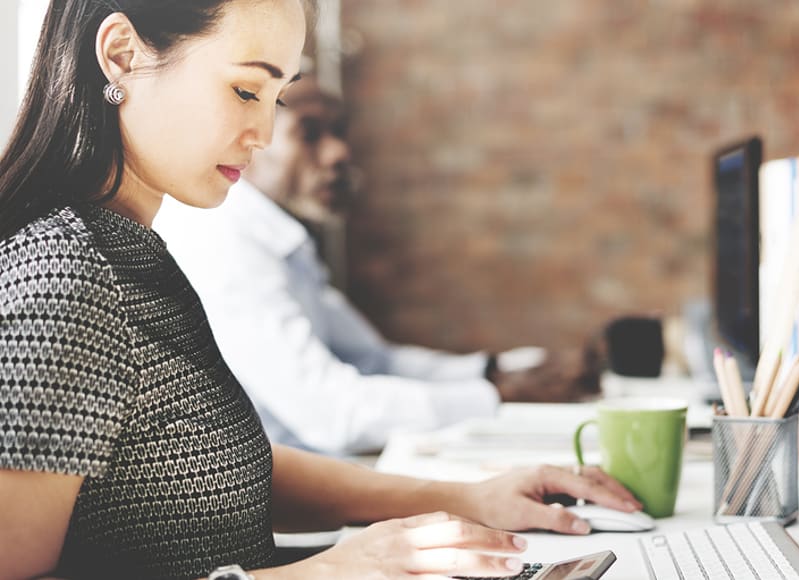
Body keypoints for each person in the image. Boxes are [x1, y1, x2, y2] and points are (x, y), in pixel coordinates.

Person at [0, 1, 639, 578]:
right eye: (246, 89)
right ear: (122, 55)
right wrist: (328, 572)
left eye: (276, 98)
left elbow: (217, 470)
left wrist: (463, 499)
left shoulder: (131, 251)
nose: (266, 134)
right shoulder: (64, 273)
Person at [153, 78, 600, 455]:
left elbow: (372, 360)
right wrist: (499, 394)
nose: (338, 153)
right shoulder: (223, 241)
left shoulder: (277, 238)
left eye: (339, 132)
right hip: (278, 519)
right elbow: (334, 414)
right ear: (247, 140)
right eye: (310, 133)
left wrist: (500, 370)